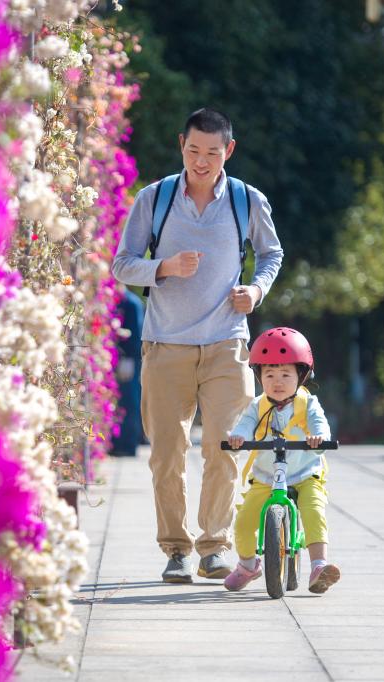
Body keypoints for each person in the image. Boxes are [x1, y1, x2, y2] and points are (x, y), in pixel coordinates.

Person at [111, 108, 284, 583]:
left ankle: (214, 546)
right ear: (181, 146)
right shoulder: (155, 198)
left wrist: (256, 291)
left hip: (228, 344)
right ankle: (176, 549)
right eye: (193, 150)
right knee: (167, 455)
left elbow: (271, 253)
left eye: (212, 152)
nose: (201, 161)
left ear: (229, 151)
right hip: (165, 345)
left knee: (226, 447)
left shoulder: (247, 200)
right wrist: (163, 267)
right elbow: (122, 264)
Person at [225, 327, 341, 594]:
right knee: (243, 521)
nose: (277, 382)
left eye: (286, 375)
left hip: (304, 473)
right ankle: (247, 566)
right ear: (259, 377)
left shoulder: (308, 404)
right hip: (267, 476)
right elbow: (245, 425)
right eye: (269, 375)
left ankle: (319, 566)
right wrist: (238, 437)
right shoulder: (257, 406)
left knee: (313, 510)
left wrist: (319, 437)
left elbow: (320, 424)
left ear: (301, 375)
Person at [110, 287, 144, 457]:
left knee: (129, 401)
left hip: (128, 359)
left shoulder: (130, 302)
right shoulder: (121, 300)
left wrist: (129, 358)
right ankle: (118, 443)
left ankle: (129, 444)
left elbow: (136, 334)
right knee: (121, 401)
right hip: (119, 359)